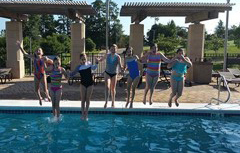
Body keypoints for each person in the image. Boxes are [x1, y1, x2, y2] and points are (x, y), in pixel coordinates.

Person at [16, 41, 52, 105]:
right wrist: (20, 47)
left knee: (44, 89)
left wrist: (48, 60)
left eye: (39, 50)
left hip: (42, 74)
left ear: (42, 53)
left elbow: (52, 62)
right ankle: (40, 98)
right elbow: (25, 54)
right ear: (35, 52)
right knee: (36, 89)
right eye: (36, 50)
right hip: (36, 75)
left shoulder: (44, 58)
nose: (38, 51)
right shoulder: (33, 57)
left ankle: (48, 96)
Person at [70, 53, 98, 120]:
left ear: (86, 59)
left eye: (84, 59)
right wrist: (67, 70)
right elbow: (72, 74)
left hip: (90, 84)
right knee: (83, 99)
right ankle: (82, 114)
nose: (83, 60)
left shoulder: (89, 64)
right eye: (82, 59)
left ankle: (86, 114)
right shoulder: (79, 67)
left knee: (87, 99)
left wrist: (97, 63)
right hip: (83, 84)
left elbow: (94, 68)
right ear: (80, 60)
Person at [98, 44, 123, 108]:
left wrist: (122, 69)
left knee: (113, 88)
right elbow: (101, 60)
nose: (113, 50)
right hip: (107, 73)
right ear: (110, 49)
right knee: (107, 87)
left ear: (116, 50)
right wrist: (98, 60)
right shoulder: (107, 55)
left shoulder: (118, 57)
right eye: (112, 49)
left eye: (114, 49)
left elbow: (120, 65)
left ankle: (113, 102)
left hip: (114, 73)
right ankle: (106, 102)